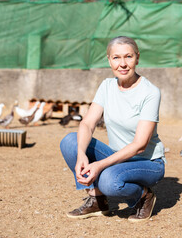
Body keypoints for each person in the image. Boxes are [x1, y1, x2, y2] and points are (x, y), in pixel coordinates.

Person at [60, 36, 166, 222]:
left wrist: (99, 165)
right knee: (70, 141)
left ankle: (144, 196)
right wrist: (81, 155)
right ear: (109, 60)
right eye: (116, 58)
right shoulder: (107, 86)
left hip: (148, 163)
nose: (123, 64)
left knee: (110, 180)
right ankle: (97, 200)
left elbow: (140, 145)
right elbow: (87, 123)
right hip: (118, 157)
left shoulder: (150, 92)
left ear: (137, 58)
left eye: (128, 57)